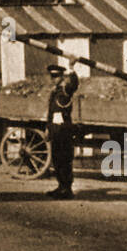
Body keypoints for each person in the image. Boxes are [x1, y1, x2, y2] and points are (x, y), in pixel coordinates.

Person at [46, 66, 79, 199]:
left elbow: (74, 84)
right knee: (57, 160)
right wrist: (48, 128)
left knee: (64, 160)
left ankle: (67, 189)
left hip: (64, 131)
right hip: (55, 130)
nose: (54, 79)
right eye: (52, 76)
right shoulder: (55, 91)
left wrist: (71, 70)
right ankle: (61, 187)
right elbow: (51, 112)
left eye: (56, 76)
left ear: (61, 77)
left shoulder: (65, 89)